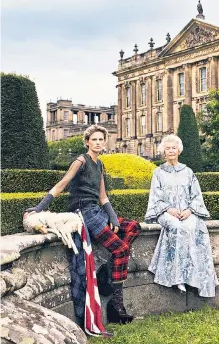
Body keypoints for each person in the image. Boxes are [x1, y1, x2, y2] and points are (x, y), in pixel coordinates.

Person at [25, 124, 140, 327]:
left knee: (134, 227)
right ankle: (116, 306)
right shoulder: (81, 161)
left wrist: (113, 217)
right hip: (84, 213)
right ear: (87, 142)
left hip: (97, 211)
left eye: (100, 139)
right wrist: (40, 208)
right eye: (93, 139)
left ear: (105, 142)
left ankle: (110, 268)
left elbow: (103, 196)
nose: (97, 143)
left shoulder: (101, 164)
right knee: (121, 250)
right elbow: (62, 184)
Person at [145, 134, 218, 297]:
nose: (171, 151)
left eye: (174, 148)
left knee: (192, 227)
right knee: (177, 227)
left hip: (187, 212)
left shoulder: (188, 172)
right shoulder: (158, 172)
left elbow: (197, 196)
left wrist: (190, 210)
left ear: (179, 150)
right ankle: (177, 276)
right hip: (165, 212)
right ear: (163, 151)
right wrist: (168, 209)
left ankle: (194, 276)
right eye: (168, 148)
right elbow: (155, 197)